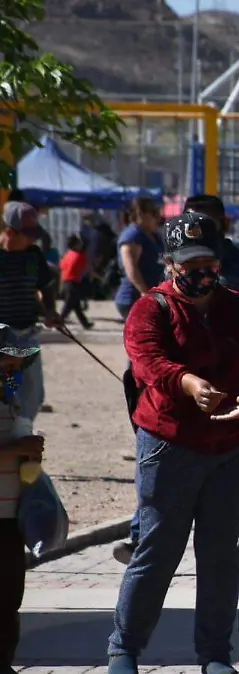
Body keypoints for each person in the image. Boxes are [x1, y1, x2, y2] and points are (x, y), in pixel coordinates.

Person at [107, 212, 239, 674]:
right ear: (170, 264)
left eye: (208, 263)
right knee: (158, 552)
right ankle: (124, 649)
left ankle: (215, 655)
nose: (199, 273)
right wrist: (188, 383)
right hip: (169, 446)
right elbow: (148, 363)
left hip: (230, 448)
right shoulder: (150, 310)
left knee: (221, 557)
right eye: (189, 263)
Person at [0, 324, 44, 674]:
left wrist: (30, 457)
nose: (12, 372)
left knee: (9, 596)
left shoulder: (11, 403)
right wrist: (17, 449)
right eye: (6, 364)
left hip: (9, 515)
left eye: (16, 367)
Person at [0, 201, 61, 425]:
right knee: (8, 391)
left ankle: (22, 432)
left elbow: (45, 285)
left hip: (27, 336)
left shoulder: (33, 255)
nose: (33, 239)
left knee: (33, 394)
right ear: (9, 231)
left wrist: (50, 310)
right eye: (28, 234)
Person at [183, 195, 239, 332]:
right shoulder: (175, 268)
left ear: (225, 224)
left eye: (206, 224)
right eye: (190, 225)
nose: (198, 231)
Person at [115, 197, 165, 320]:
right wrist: (144, 292)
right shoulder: (133, 235)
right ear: (141, 214)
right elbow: (131, 267)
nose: (158, 218)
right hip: (134, 298)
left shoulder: (154, 235)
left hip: (153, 297)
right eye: (154, 213)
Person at [58, 234, 94, 329]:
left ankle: (85, 323)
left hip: (66, 282)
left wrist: (60, 285)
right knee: (69, 305)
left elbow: (62, 269)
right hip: (73, 283)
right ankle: (59, 321)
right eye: (79, 243)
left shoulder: (66, 255)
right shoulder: (80, 256)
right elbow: (88, 269)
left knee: (76, 305)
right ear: (75, 244)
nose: (81, 244)